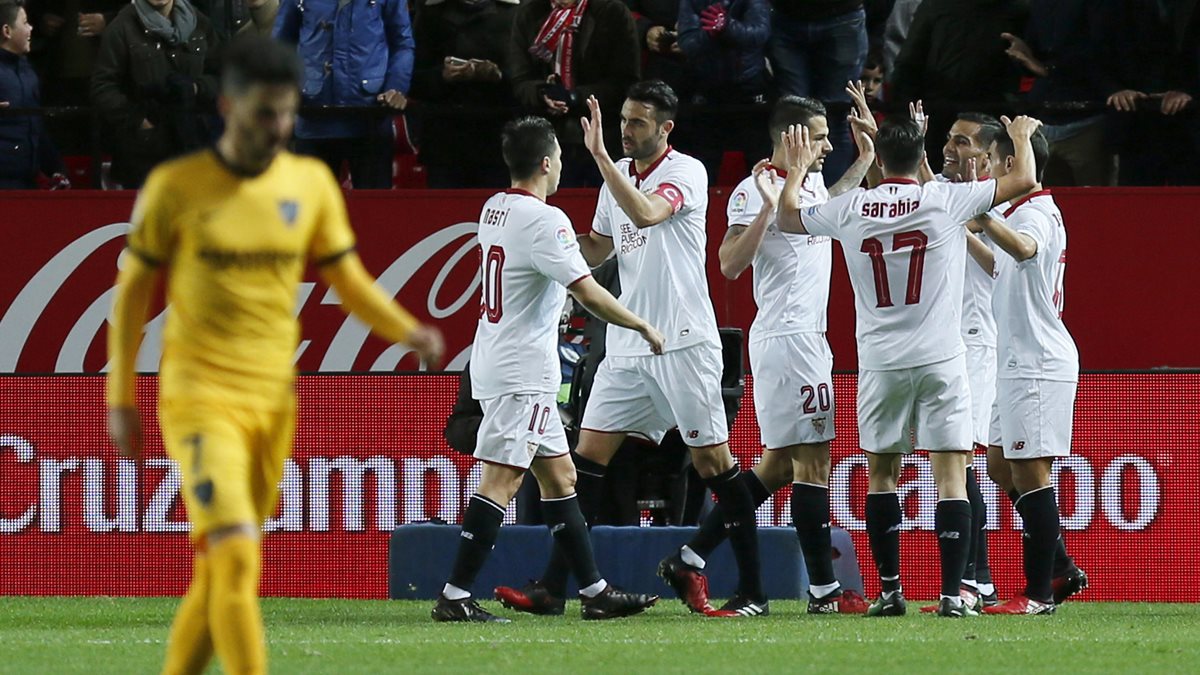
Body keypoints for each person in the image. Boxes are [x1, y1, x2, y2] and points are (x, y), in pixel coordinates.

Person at [105, 35, 444, 674]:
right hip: (199, 396)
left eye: (288, 113)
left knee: (221, 566)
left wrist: (407, 331)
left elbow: (346, 279)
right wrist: (120, 397)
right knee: (235, 554)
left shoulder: (310, 182)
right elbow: (129, 299)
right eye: (266, 112)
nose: (280, 127)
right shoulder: (176, 187)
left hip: (273, 399)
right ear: (229, 105)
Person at [496, 80, 767, 617]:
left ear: (666, 128)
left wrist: (599, 156)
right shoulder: (615, 180)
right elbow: (600, 244)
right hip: (626, 347)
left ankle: (753, 590)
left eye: (637, 121)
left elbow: (645, 214)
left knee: (714, 461)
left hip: (683, 342)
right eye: (622, 119)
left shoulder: (685, 172)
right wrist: (545, 244)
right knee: (585, 463)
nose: (625, 129)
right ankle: (555, 587)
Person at [776, 113, 1042, 617]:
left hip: (879, 362)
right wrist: (1023, 139)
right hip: (942, 357)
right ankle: (952, 593)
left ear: (877, 157)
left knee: (882, 476)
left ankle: (891, 590)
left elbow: (789, 218)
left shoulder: (850, 207)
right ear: (919, 154)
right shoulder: (942, 198)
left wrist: (797, 169)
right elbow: (1023, 179)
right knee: (951, 476)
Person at [431, 116, 665, 623]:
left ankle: (594, 591)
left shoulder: (493, 209)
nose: (561, 165)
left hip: (495, 357)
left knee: (561, 479)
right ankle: (453, 595)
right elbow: (587, 291)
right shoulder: (546, 220)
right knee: (501, 481)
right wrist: (642, 325)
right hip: (521, 371)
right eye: (558, 156)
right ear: (545, 163)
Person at [657, 88, 878, 616]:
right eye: (821, 137)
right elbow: (731, 263)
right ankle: (824, 591)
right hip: (789, 339)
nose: (828, 147)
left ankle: (689, 557)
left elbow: (823, 211)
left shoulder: (808, 182)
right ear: (791, 137)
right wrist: (768, 205)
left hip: (805, 339)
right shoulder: (752, 189)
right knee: (814, 462)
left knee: (778, 466)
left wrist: (865, 161)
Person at [967, 128, 1087, 614]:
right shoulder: (1017, 211)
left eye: (995, 159)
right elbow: (1001, 261)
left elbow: (1024, 249)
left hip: (1037, 360)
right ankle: (1059, 567)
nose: (989, 167)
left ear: (1015, 163)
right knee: (999, 464)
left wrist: (982, 219)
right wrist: (967, 230)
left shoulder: (1036, 211)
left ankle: (1038, 593)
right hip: (1015, 359)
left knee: (1032, 474)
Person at [273, 0, 414, 189]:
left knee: (374, 212)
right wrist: (288, 89)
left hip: (371, 118)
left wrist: (395, 88)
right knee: (310, 210)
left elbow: (402, 43)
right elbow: (280, 46)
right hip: (313, 118)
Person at [507, 0, 641, 187]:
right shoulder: (528, 13)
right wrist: (541, 93)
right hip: (544, 133)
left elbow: (625, 81)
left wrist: (575, 97)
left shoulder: (612, 12)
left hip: (602, 131)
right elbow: (520, 80)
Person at [91, 0, 220, 188]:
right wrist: (139, 120)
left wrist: (196, 88)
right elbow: (102, 87)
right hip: (145, 156)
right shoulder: (122, 27)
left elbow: (222, 76)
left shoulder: (200, 23)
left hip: (195, 148)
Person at [409, 0, 520, 188]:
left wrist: (499, 76)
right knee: (446, 215)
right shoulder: (431, 15)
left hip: (498, 141)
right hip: (444, 142)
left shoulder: (515, 15)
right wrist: (441, 76)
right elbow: (413, 81)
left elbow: (526, 81)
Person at [0, 0, 68, 189]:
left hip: (26, 181)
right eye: (25, 22)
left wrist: (56, 167)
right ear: (7, 31)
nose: (31, 28)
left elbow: (36, 125)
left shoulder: (28, 71)